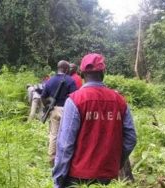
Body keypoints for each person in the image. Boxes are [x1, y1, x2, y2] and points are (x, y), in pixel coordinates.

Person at [52, 53, 137, 188]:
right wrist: (116, 162)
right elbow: (131, 138)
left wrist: (58, 179)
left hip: (78, 176)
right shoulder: (119, 100)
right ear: (103, 72)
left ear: (82, 73)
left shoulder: (75, 100)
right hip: (107, 176)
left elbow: (65, 144)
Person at [41, 60, 77, 166]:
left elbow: (43, 97)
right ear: (66, 69)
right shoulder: (70, 81)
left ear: (58, 68)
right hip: (67, 110)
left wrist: (48, 106)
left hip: (54, 109)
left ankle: (51, 159)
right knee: (68, 134)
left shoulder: (50, 80)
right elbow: (75, 97)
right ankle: (66, 159)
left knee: (53, 134)